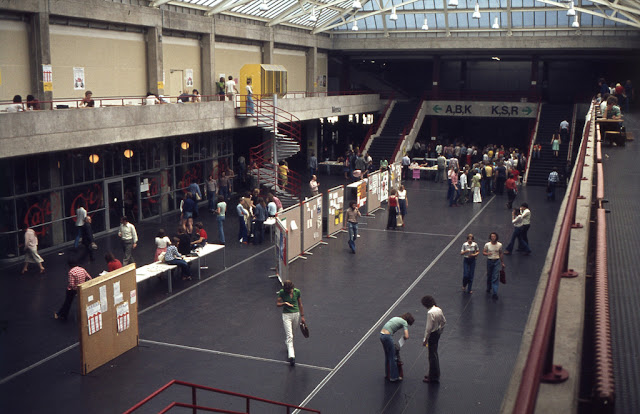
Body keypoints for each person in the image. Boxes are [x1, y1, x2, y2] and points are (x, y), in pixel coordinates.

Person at [276, 280, 306, 366]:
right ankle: (291, 356)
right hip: (286, 316)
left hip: (296, 314)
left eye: (291, 289)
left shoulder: (297, 291)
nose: (290, 291)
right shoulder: (282, 292)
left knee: (292, 333)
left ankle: (288, 343)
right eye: (288, 290)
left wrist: (302, 316)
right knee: (290, 336)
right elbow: (277, 304)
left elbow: (300, 304)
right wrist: (284, 303)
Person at [380, 313, 415, 382]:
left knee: (387, 356)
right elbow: (407, 336)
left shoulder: (396, 317)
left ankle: (388, 374)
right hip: (387, 336)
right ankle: (394, 377)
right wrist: (404, 338)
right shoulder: (404, 322)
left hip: (381, 335)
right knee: (393, 357)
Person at [421, 296, 446, 384]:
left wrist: (425, 339)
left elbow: (428, 328)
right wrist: (440, 330)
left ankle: (433, 376)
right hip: (437, 333)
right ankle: (433, 373)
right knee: (434, 354)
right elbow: (443, 321)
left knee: (432, 356)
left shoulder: (430, 313)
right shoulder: (438, 309)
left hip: (432, 335)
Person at [483, 232, 505, 300]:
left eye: (494, 236)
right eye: (492, 236)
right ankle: (488, 287)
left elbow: (501, 253)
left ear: (496, 237)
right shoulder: (487, 244)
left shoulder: (499, 245)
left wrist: (502, 262)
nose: (493, 238)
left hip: (496, 261)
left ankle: (495, 293)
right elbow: (484, 252)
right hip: (489, 261)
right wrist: (487, 253)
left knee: (495, 277)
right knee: (489, 275)